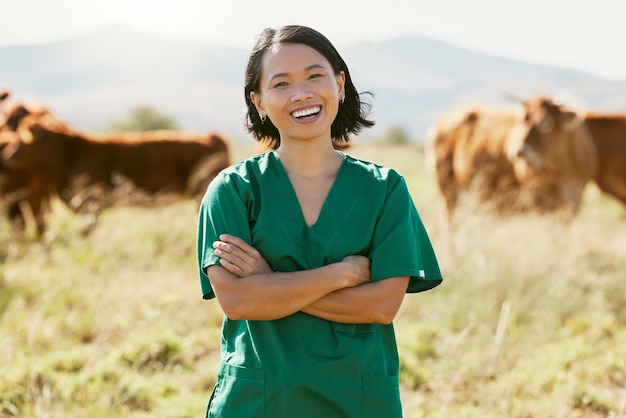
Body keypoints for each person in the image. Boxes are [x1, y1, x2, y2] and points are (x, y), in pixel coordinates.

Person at [196, 25, 443, 418]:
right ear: (259, 102)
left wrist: (270, 281)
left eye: (315, 76)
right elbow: (239, 300)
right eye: (281, 84)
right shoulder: (232, 190)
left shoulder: (385, 190)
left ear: (340, 85)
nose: (301, 94)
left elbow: (381, 306)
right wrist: (342, 274)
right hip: (259, 402)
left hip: (357, 402)